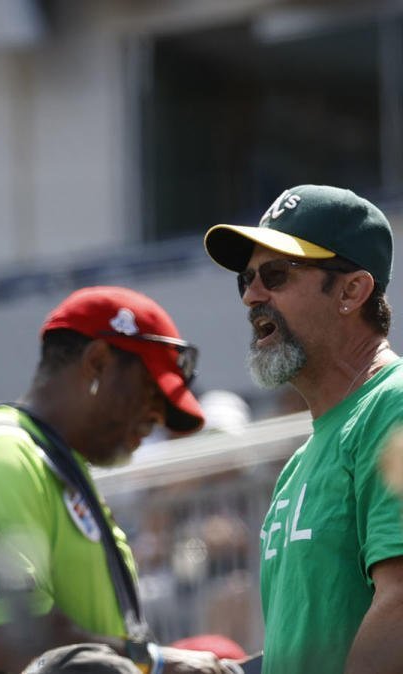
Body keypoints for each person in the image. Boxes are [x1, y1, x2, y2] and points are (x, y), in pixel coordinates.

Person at [0, 286, 231, 674]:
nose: (158, 417)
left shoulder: (55, 465)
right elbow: (14, 641)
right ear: (97, 362)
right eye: (151, 392)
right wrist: (157, 663)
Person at [203, 184, 403, 674]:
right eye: (245, 280)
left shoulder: (395, 408)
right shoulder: (301, 463)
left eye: (275, 275)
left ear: (352, 291)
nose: (252, 295)